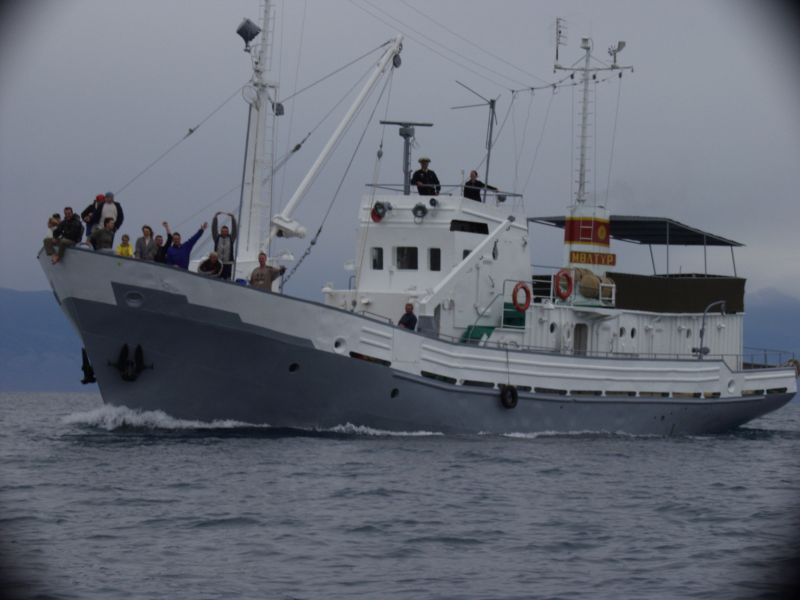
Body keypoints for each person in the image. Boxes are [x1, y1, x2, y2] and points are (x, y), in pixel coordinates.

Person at [211, 212, 237, 280]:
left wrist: (233, 218)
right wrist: (215, 217)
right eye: (223, 231)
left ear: (228, 232)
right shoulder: (217, 238)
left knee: (227, 279)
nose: (224, 232)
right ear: (221, 231)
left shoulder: (231, 238)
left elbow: (235, 230)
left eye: (226, 231)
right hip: (217, 263)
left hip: (228, 264)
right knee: (216, 278)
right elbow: (214, 229)